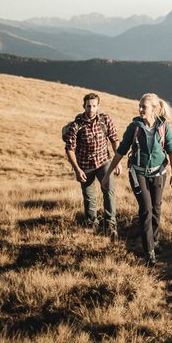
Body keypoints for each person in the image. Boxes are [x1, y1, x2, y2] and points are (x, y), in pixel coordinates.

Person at [102, 92, 172, 265]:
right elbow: (121, 151)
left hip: (159, 172)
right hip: (138, 172)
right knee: (146, 209)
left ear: (154, 109)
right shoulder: (134, 126)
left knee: (156, 209)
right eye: (140, 106)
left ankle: (155, 240)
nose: (140, 109)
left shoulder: (163, 126)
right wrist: (107, 174)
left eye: (144, 106)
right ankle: (149, 251)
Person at [63, 92, 121, 238]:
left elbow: (114, 139)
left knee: (109, 191)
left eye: (94, 106)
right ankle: (92, 225)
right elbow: (70, 149)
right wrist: (77, 170)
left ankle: (110, 224)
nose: (91, 109)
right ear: (84, 106)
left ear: (98, 106)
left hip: (104, 162)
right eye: (88, 106)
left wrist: (117, 162)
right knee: (89, 196)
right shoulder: (76, 126)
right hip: (85, 165)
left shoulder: (105, 120)